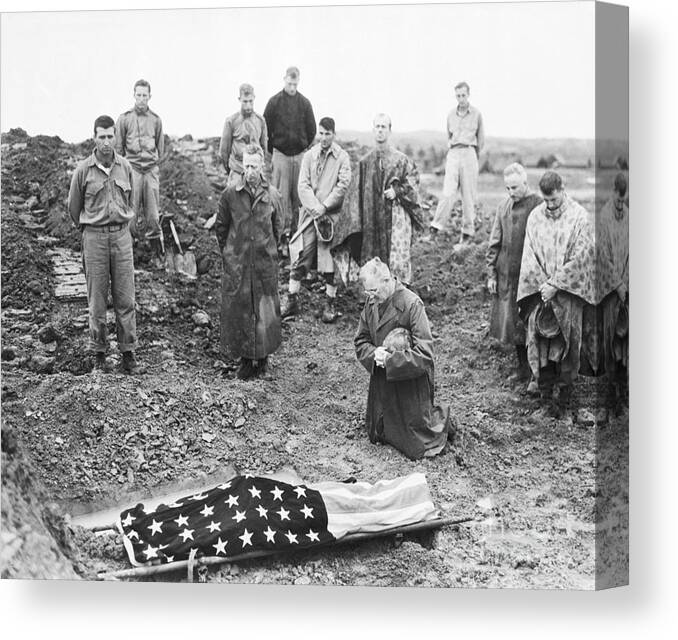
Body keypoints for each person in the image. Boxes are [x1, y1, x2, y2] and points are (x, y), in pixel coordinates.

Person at [517, 171, 598, 418]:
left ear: (563, 189)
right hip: (541, 295)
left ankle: (563, 406)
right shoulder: (535, 217)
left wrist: (556, 285)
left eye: (554, 200)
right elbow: (529, 256)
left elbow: (582, 259)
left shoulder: (579, 217)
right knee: (540, 345)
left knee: (567, 348)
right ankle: (544, 403)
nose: (550, 206)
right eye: (546, 201)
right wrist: (543, 287)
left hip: (567, 296)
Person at [354, 258, 448, 460]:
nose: (370, 297)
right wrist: (374, 355)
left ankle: (444, 419)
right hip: (383, 382)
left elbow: (425, 354)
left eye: (374, 291)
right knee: (376, 432)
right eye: (367, 292)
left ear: (387, 281)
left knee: (416, 446)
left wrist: (390, 360)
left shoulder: (412, 304)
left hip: (409, 384)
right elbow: (361, 340)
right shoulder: (372, 302)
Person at [68, 115, 140, 374]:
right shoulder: (83, 170)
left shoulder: (126, 168)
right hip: (95, 238)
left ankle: (128, 355)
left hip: (121, 238)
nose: (107, 141)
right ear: (94, 138)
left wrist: (122, 228)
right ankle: (99, 355)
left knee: (125, 298)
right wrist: (93, 228)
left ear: (116, 137)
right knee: (97, 300)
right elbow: (74, 208)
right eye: (102, 136)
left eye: (111, 136)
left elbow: (131, 202)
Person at [215, 144, 283, 380]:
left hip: (264, 263)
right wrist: (230, 255)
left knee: (265, 310)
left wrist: (269, 253)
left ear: (262, 165)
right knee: (242, 309)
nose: (250, 171)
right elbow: (221, 227)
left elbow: (278, 229)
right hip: (240, 263)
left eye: (254, 165)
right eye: (246, 166)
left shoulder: (272, 195)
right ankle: (245, 361)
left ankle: (263, 360)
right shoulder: (230, 194)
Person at [335, 114, 423, 285]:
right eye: (378, 127)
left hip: (394, 217)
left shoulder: (401, 160)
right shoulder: (364, 163)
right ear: (373, 130)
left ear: (390, 131)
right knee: (372, 263)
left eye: (384, 127)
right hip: (372, 220)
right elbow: (354, 194)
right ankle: (373, 300)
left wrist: (397, 190)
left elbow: (413, 179)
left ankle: (398, 297)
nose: (380, 131)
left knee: (396, 261)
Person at [280, 116, 351, 323]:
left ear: (334, 135)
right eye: (321, 133)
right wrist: (314, 208)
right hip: (310, 216)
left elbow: (343, 185)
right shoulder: (309, 156)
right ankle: (292, 300)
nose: (324, 137)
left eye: (328, 133)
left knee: (330, 260)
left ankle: (329, 302)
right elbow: (302, 185)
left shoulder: (342, 157)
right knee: (302, 253)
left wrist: (325, 206)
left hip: (330, 216)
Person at [486, 163, 543, 384]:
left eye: (515, 187)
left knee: (533, 324)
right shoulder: (503, 207)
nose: (511, 192)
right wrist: (491, 273)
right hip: (507, 277)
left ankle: (536, 373)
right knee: (513, 325)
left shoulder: (538, 205)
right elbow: (494, 242)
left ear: (525, 184)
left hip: (530, 278)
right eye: (507, 188)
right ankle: (521, 370)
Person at [263, 66, 316, 252]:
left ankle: (296, 238)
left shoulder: (305, 103)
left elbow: (312, 130)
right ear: (284, 79)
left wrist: (302, 147)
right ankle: (280, 239)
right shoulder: (274, 102)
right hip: (281, 157)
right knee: (279, 198)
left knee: (299, 199)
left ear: (298, 82)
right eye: (289, 83)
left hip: (299, 157)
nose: (292, 87)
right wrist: (274, 150)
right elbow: (265, 129)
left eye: (295, 83)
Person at [115, 79, 165, 267]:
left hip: (150, 171)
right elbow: (119, 149)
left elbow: (161, 148)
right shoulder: (125, 119)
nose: (142, 99)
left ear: (150, 97)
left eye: (145, 95)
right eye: (139, 95)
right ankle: (129, 254)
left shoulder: (156, 120)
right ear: (134, 95)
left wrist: (152, 167)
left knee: (153, 215)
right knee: (131, 213)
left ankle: (156, 255)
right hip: (132, 171)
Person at [427, 81, 484, 245]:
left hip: (469, 152)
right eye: (458, 96)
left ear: (469, 95)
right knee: (448, 192)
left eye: (463, 95)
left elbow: (481, 140)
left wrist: (472, 155)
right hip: (453, 153)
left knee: (468, 195)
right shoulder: (451, 114)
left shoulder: (477, 114)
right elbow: (448, 136)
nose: (461, 99)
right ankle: (435, 229)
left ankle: (467, 233)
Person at [597, 172, 629, 415]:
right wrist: (617, 285)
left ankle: (626, 392)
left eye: (624, 200)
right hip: (609, 291)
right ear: (612, 194)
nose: (620, 205)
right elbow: (604, 258)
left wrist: (626, 284)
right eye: (617, 200)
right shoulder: (603, 218)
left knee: (626, 339)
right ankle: (611, 398)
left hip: (627, 290)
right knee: (609, 340)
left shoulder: (630, 217)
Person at [218, 83, 268, 188]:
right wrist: (232, 170)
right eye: (245, 101)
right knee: (235, 202)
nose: (248, 105)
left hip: (256, 174)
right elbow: (224, 152)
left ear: (254, 98)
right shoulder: (231, 122)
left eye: (251, 101)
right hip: (237, 172)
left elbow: (264, 149)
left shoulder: (260, 121)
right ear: (239, 99)